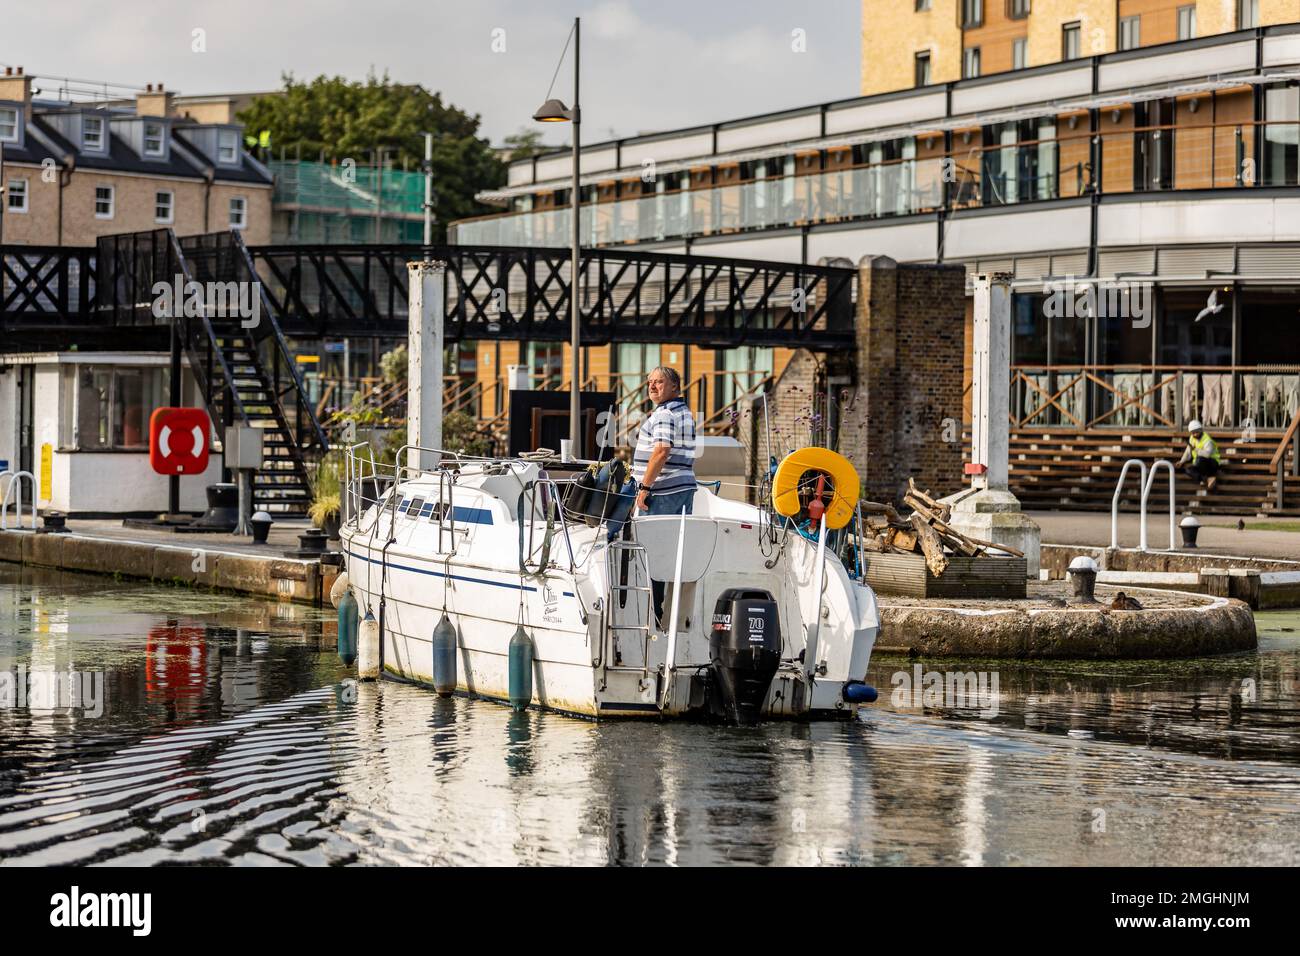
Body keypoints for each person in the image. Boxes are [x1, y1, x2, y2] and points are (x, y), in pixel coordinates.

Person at [1178, 419, 1221, 491]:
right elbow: (1188, 452)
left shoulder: (1207, 440)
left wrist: (1195, 449)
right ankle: (1207, 479)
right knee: (1188, 470)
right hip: (1198, 465)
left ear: (1201, 430)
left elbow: (1207, 454)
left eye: (1196, 432)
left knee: (1199, 459)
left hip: (1212, 464)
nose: (1194, 434)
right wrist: (1181, 461)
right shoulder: (1192, 438)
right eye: (1193, 433)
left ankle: (1209, 477)